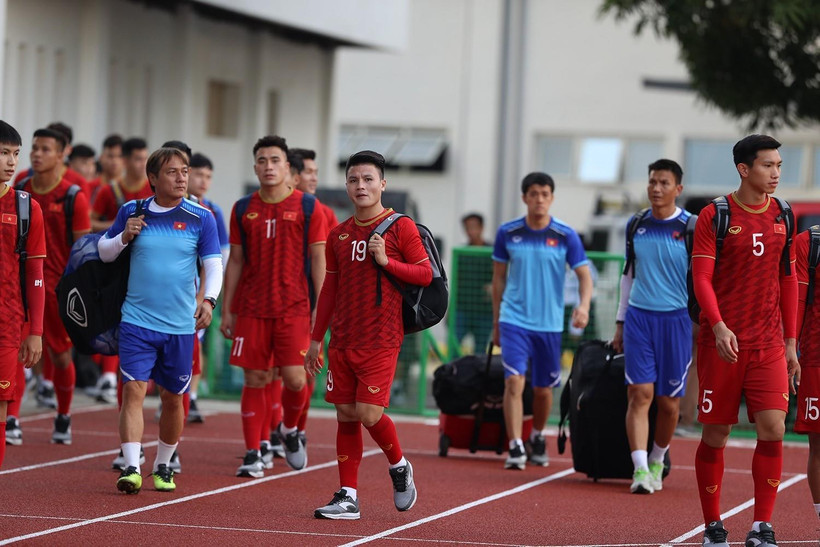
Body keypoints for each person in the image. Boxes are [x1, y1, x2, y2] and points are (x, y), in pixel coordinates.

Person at [305, 150, 430, 519]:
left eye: (368, 179)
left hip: (381, 337)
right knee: (345, 414)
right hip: (342, 339)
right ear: (346, 185)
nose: (361, 186)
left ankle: (399, 465)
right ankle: (348, 496)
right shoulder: (339, 234)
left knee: (369, 413)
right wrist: (316, 339)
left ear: (382, 185)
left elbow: (424, 275)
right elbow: (329, 289)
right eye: (354, 179)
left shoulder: (400, 226)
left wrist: (386, 261)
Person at [692, 134, 799, 546]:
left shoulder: (784, 214)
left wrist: (790, 343)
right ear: (744, 169)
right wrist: (717, 325)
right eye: (767, 166)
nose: (775, 173)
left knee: (773, 428)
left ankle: (762, 526)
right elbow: (702, 277)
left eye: (778, 166)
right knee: (716, 434)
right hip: (722, 343)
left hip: (769, 343)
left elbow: (788, 278)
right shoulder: (715, 215)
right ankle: (713, 524)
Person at [98, 147, 222, 494]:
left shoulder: (201, 217)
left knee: (172, 398)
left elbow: (213, 264)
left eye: (185, 171)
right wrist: (125, 236)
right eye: (173, 172)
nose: (182, 177)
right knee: (134, 390)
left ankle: (164, 464)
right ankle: (132, 466)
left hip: (180, 325)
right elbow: (103, 252)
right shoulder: (131, 211)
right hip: (137, 320)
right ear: (153, 179)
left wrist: (209, 301)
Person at [221, 135, 327, 478]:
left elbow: (318, 261)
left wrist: (320, 310)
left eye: (275, 160)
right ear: (255, 167)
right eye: (262, 161)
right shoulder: (241, 208)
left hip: (295, 307)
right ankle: (253, 452)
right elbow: (235, 260)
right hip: (252, 308)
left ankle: (292, 431)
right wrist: (227, 308)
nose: (268, 167)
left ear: (287, 168)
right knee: (256, 378)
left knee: (296, 380)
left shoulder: (308, 208)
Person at [491, 172, 592, 470]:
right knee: (513, 381)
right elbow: (498, 279)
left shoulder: (565, 235)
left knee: (544, 389)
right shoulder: (507, 233)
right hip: (513, 319)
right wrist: (496, 320)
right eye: (533, 194)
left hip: (548, 324)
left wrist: (583, 306)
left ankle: (536, 435)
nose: (539, 199)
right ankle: (515, 445)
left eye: (544, 194)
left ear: (552, 198)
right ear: (524, 197)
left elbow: (584, 275)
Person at [611, 159, 693, 495]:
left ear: (678, 189)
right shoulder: (637, 224)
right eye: (652, 182)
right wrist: (620, 322)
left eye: (663, 183)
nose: (656, 188)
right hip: (639, 319)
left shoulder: (692, 226)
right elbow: (628, 275)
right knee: (639, 394)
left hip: (677, 320)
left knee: (669, 402)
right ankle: (641, 469)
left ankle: (658, 459)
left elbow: (704, 277)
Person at [16, 128, 91, 445]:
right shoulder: (21, 190)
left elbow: (84, 251)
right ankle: (11, 419)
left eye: (45, 149)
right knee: (14, 354)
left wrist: (80, 292)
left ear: (62, 155)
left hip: (59, 291)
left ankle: (63, 415)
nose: (37, 154)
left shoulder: (74, 196)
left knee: (61, 357)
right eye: (34, 148)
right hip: (19, 289)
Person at [0, 121, 46, 464]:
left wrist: (35, 331)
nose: (11, 162)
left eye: (15, 154)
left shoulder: (26, 208)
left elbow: (35, 274)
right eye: (4, 153)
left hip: (7, 325)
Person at [289, 147, 338, 448]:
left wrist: (322, 304)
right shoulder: (263, 209)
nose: (314, 178)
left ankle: (297, 429)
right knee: (265, 375)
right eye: (309, 172)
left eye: (317, 173)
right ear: (293, 175)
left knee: (305, 372)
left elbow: (332, 263)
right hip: (276, 305)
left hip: (309, 304)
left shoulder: (323, 212)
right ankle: (267, 438)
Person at [186, 152, 230, 423]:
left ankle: (189, 398)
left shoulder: (212, 211)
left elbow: (221, 254)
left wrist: (207, 291)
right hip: (168, 292)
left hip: (199, 292)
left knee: (194, 344)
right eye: (199, 174)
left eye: (208, 176)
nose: (203, 181)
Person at [794, 227, 820, 522]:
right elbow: (797, 300)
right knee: (819, 444)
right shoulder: (810, 242)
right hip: (815, 355)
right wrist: (792, 349)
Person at [91, 137, 151, 233]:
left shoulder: (155, 188)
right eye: (138, 159)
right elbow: (90, 223)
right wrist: (118, 224)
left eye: (145, 158)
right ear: (125, 161)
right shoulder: (108, 190)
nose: (144, 164)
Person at [454, 212, 493, 353]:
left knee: (480, 352)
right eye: (467, 228)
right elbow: (456, 283)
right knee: (454, 345)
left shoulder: (492, 252)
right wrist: (450, 310)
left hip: (485, 311)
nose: (471, 231)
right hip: (462, 309)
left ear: (482, 228)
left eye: (474, 227)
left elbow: (500, 279)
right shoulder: (462, 252)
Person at [87, 134, 124, 207]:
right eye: (110, 156)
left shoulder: (129, 188)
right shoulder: (89, 187)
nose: (115, 161)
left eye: (119, 156)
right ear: (101, 158)